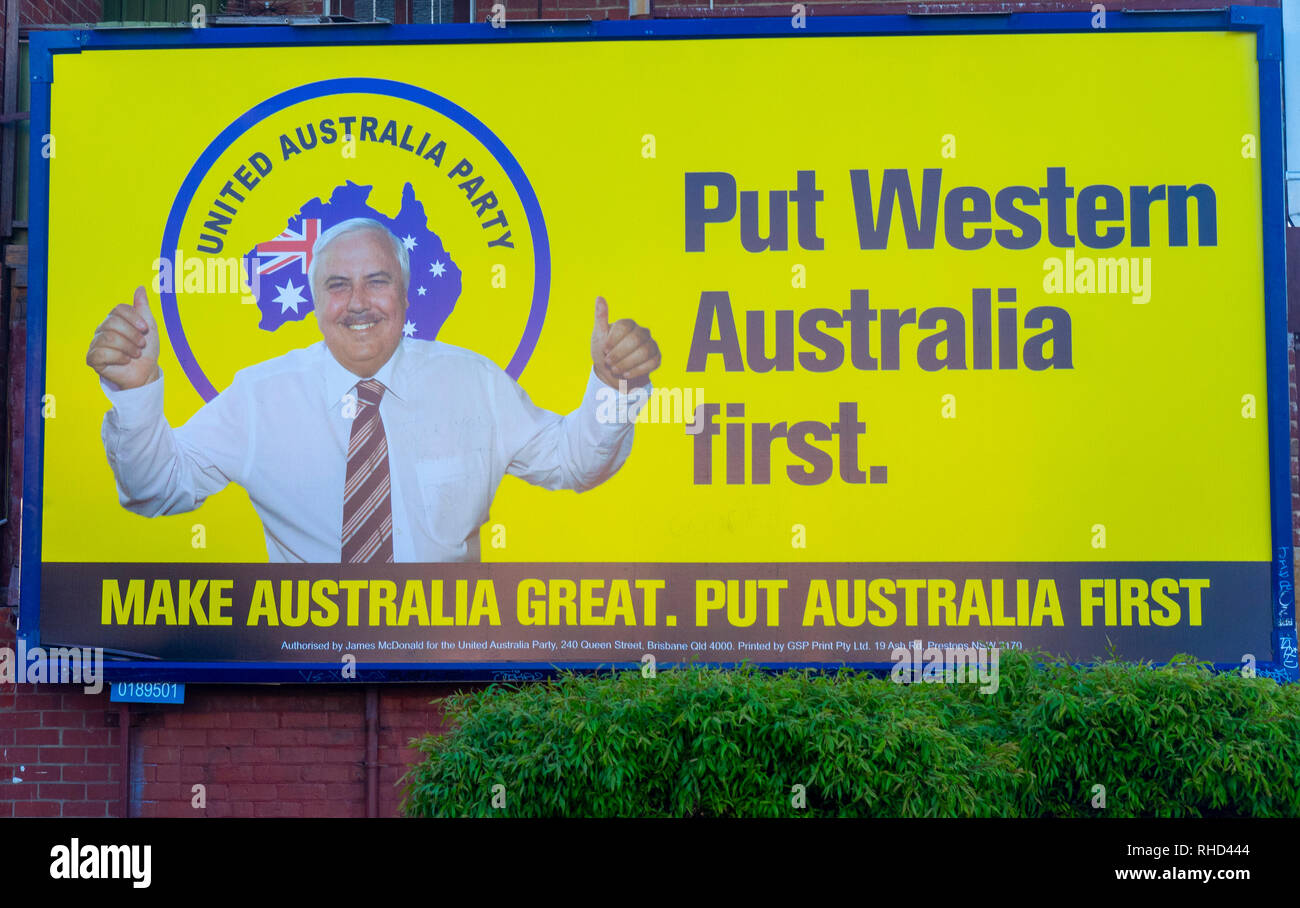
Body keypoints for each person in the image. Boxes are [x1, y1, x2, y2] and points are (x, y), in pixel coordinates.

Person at [86, 217, 660, 563]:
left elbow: (573, 464)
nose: (358, 303)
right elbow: (156, 489)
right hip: (302, 677)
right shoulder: (260, 397)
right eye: (338, 285)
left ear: (406, 297)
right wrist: (136, 396)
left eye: (376, 282)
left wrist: (613, 388)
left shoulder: (474, 383)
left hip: (447, 671)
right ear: (314, 302)